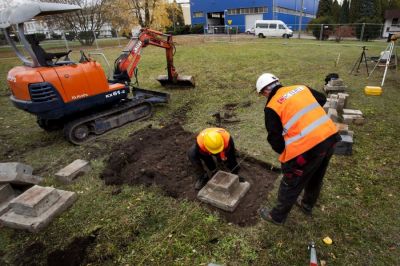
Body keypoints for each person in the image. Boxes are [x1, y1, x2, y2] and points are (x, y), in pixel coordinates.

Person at [256, 73, 340, 225]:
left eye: (262, 94)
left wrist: (287, 153)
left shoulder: (272, 106)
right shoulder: (301, 88)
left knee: (290, 180)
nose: (264, 97)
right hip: (330, 137)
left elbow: (275, 140)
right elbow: (322, 99)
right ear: (277, 83)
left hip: (308, 149)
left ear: (265, 91)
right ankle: (307, 205)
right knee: (316, 174)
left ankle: (277, 217)